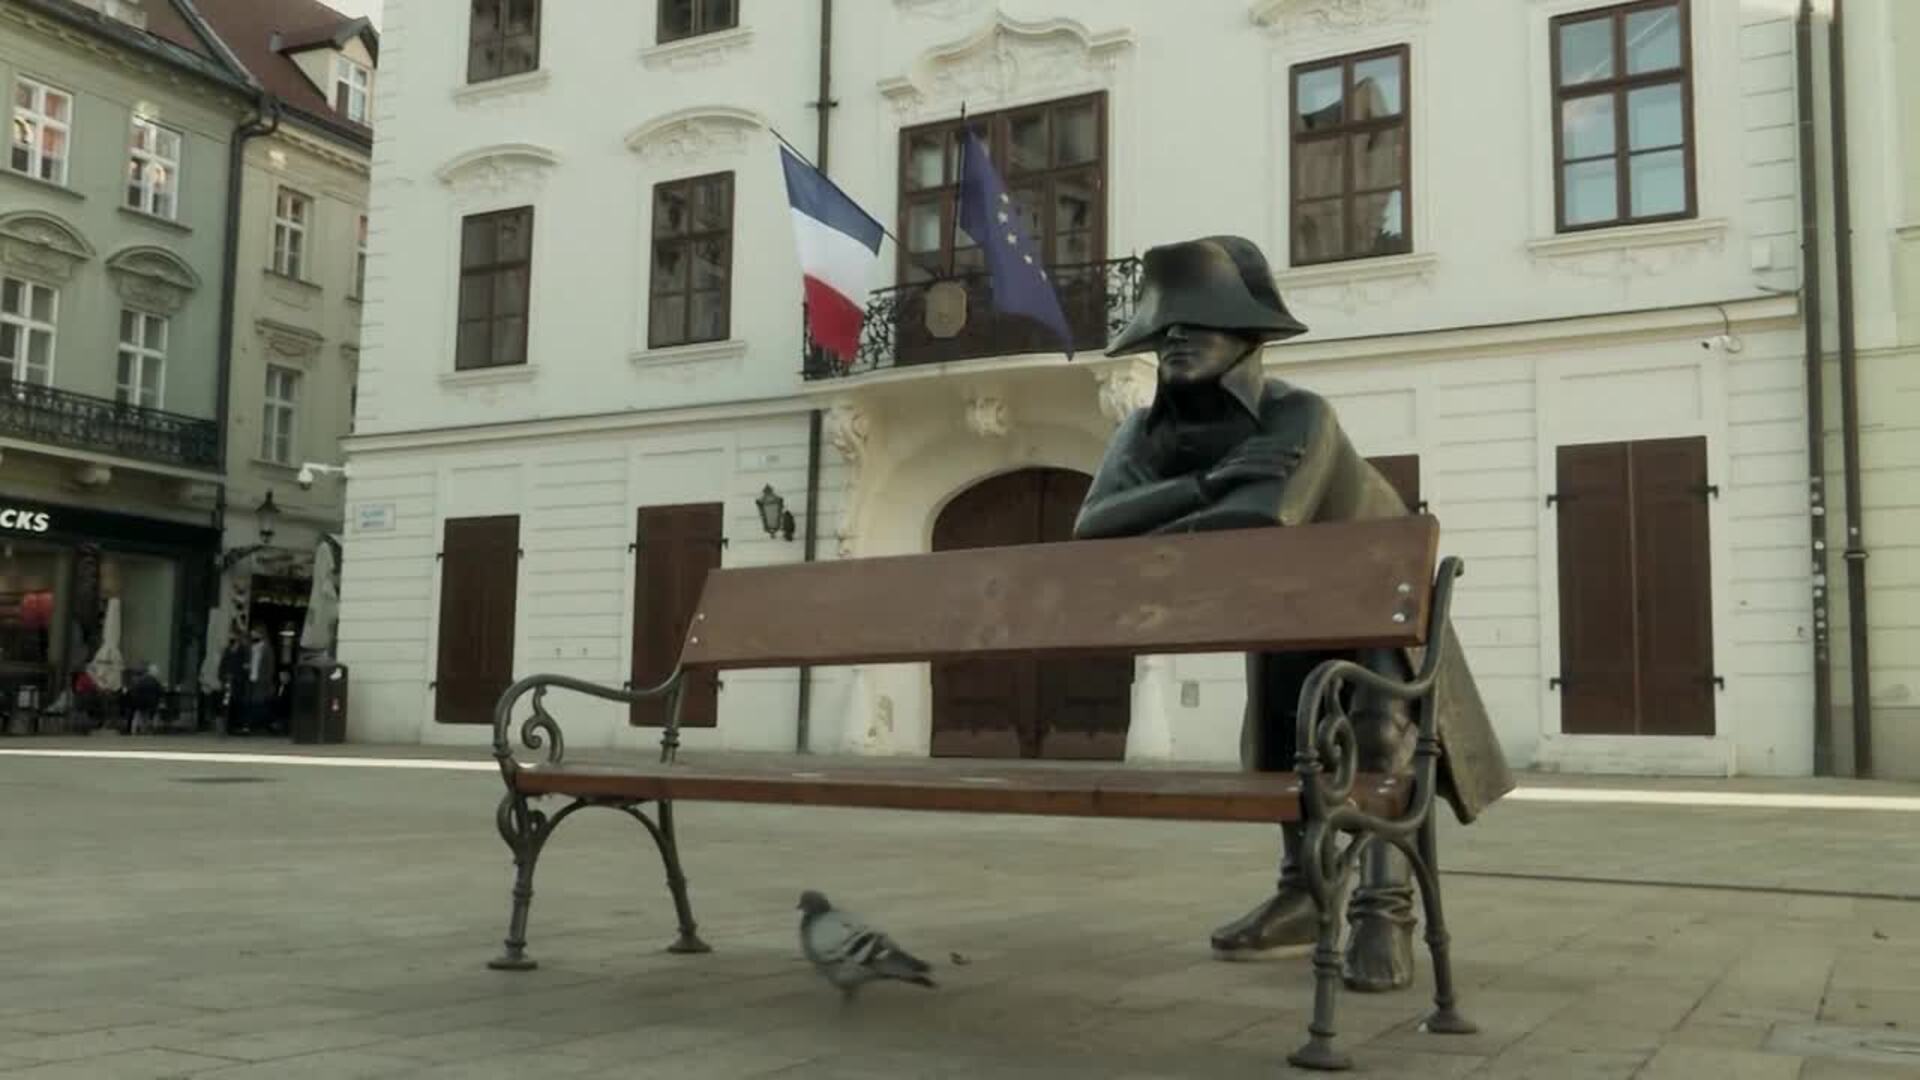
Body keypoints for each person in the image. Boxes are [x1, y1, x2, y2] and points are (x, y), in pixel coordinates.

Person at [1074, 235, 1513, 992]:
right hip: (1282, 606)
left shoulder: (1299, 414)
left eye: (1198, 324)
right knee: (1283, 743)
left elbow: (1267, 515)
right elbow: (1092, 525)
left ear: (1247, 336)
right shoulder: (1142, 432)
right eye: (1164, 327)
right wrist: (1205, 486)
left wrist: (1164, 513)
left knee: (1378, 734)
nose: (1175, 339)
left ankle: (1383, 910)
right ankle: (1305, 896)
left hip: (1373, 597)